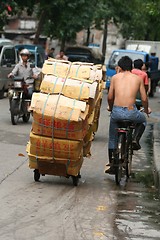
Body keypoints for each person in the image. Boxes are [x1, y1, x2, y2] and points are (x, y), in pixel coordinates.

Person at [105, 56, 151, 174]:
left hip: (116, 112)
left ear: (119, 67)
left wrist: (110, 108)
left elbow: (110, 97)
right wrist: (146, 110)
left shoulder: (115, 78)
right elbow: (144, 99)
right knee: (143, 120)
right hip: (131, 112)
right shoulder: (138, 79)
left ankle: (112, 164)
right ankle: (135, 139)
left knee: (112, 137)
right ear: (131, 67)